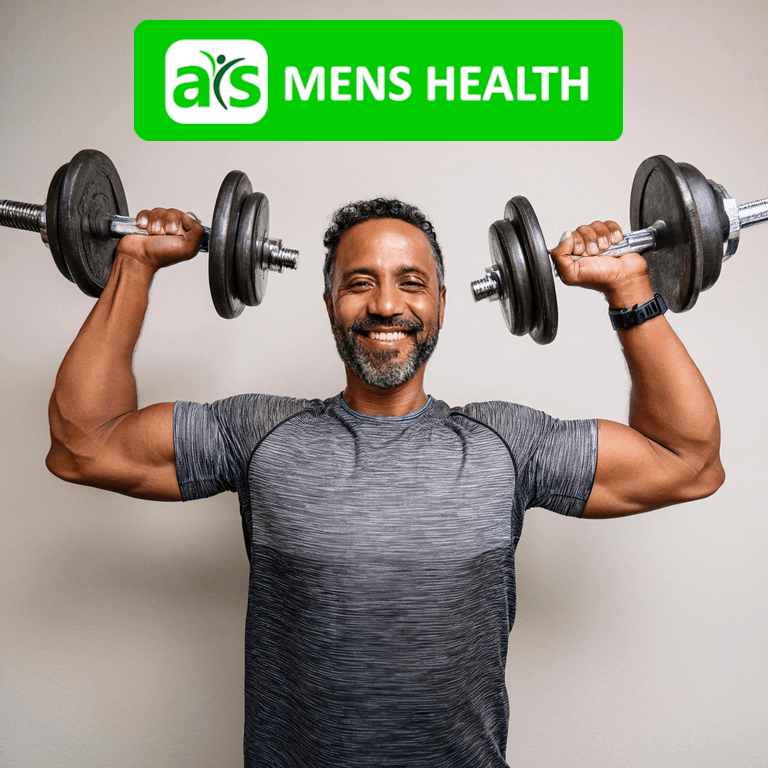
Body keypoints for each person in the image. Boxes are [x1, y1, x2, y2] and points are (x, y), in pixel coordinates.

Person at [45, 198, 724, 767]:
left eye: (411, 281)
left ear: (442, 303)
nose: (386, 305)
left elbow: (687, 462)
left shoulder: (506, 444)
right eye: (360, 281)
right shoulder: (259, 434)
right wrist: (132, 265)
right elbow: (85, 443)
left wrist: (631, 289)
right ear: (330, 301)